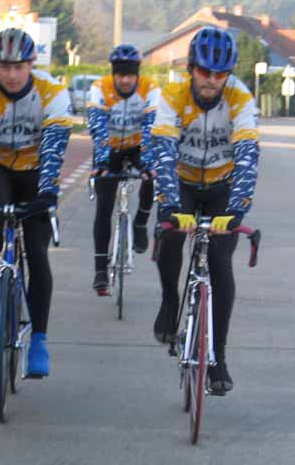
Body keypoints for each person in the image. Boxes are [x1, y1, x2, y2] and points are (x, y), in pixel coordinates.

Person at [151, 27, 260, 395]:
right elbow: (163, 150)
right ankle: (170, 300)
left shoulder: (241, 98)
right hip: (181, 180)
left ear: (228, 73)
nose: (212, 80)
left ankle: (218, 358)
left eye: (220, 73)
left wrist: (238, 208)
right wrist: (167, 202)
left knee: (219, 262)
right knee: (169, 238)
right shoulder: (172, 95)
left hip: (221, 187)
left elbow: (248, 154)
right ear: (192, 68)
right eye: (204, 72)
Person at [0, 28, 72, 377]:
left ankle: (38, 340)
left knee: (37, 255)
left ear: (30, 64)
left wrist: (48, 193)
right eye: (3, 67)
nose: (10, 74)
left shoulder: (51, 92)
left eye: (18, 67)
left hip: (36, 170)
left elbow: (55, 145)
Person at [87, 44, 161, 293]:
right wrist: (102, 162)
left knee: (153, 173)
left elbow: (152, 128)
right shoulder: (100, 88)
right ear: (113, 74)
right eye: (120, 75)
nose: (126, 80)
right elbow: (97, 128)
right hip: (111, 149)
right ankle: (100, 270)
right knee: (104, 206)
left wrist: (149, 163)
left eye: (130, 75)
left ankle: (140, 223)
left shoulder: (151, 89)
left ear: (137, 74)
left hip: (139, 146)